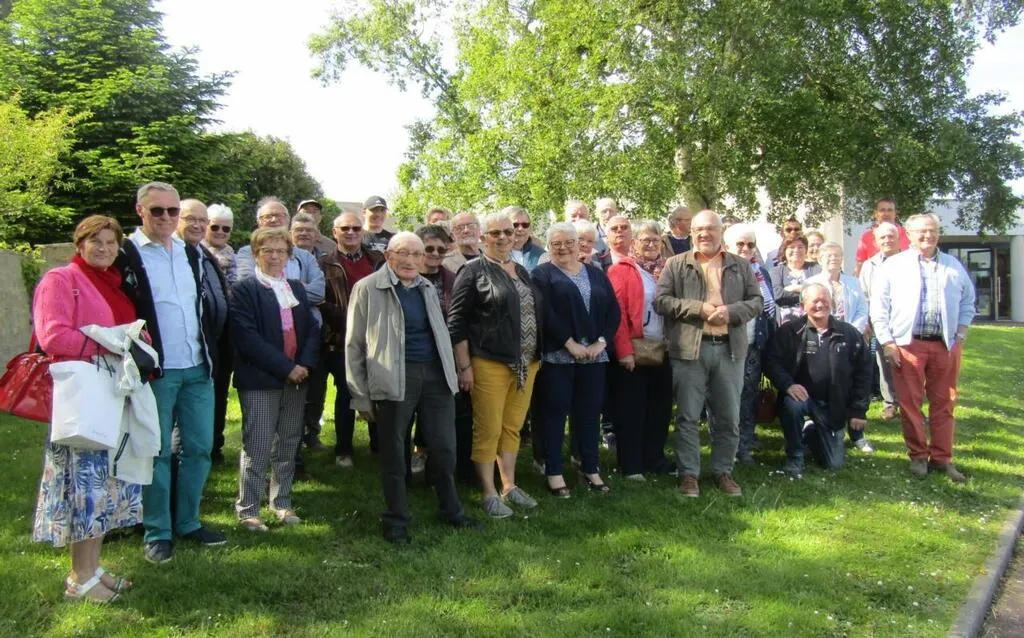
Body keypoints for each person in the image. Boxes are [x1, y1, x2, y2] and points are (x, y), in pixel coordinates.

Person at [32, 215, 144, 602]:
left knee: (105, 488)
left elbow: (122, 330)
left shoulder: (111, 283)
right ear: (79, 243)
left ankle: (93, 569)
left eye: (111, 243)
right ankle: (79, 579)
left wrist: (134, 336)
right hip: (82, 402)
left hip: (109, 395)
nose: (105, 249)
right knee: (86, 490)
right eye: (96, 241)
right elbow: (52, 336)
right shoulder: (61, 280)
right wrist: (110, 343)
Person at [346, 232, 481, 543]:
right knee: (394, 451)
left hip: (435, 376)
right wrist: (360, 394)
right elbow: (353, 345)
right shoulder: (368, 288)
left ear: (424, 259)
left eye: (416, 255)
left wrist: (455, 371)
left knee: (445, 448)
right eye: (403, 253)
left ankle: (451, 511)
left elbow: (439, 332)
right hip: (394, 377)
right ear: (389, 256)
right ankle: (396, 519)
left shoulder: (425, 288)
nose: (410, 260)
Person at [115, 181, 224, 565]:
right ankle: (157, 530)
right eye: (157, 210)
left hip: (198, 366)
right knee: (156, 452)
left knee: (199, 448)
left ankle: (189, 522)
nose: (166, 217)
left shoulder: (190, 251)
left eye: (172, 211)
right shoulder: (126, 254)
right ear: (140, 211)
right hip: (156, 373)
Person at [654, 210, 762, 498]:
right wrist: (698, 308)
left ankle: (723, 471)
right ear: (691, 233)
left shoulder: (740, 265)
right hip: (690, 349)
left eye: (710, 229)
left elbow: (756, 301)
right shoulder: (676, 264)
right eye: (698, 229)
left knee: (728, 416)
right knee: (688, 416)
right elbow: (661, 301)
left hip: (729, 349)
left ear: (721, 231)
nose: (704, 234)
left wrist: (731, 312)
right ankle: (689, 474)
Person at [449, 212, 543, 518]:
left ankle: (509, 485)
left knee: (512, 427)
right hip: (490, 362)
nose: (503, 237)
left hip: (527, 363)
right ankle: (488, 493)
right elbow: (457, 322)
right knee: (488, 429)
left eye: (508, 231)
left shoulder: (522, 270)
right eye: (495, 233)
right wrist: (465, 367)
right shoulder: (473, 270)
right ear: (483, 238)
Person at [871, 213, 976, 482]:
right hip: (908, 344)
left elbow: (968, 301)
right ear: (909, 234)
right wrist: (887, 342)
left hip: (945, 345)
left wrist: (961, 334)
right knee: (910, 403)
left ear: (938, 233)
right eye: (921, 231)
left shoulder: (953, 266)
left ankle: (942, 458)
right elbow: (879, 308)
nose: (927, 236)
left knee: (944, 403)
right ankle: (918, 456)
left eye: (932, 231)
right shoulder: (894, 265)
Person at [230, 228, 319, 532]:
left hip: (297, 378)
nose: (274, 256)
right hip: (261, 378)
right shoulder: (245, 289)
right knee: (257, 444)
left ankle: (281, 503)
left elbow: (310, 330)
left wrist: (304, 363)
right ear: (256, 253)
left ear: (288, 256)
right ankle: (248, 510)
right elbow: (248, 338)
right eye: (267, 250)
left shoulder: (295, 287)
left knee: (288, 443)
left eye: (281, 251)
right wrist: (286, 367)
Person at [531, 223, 619, 497]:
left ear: (578, 243)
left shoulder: (595, 273)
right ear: (549, 246)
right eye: (556, 243)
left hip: (595, 356)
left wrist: (601, 342)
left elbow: (613, 310)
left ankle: (590, 468)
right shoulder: (542, 274)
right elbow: (544, 312)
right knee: (555, 414)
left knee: (590, 414)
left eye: (568, 241)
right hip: (559, 357)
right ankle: (554, 471)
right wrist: (569, 343)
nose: (563, 247)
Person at [763, 283, 872, 477]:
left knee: (833, 464)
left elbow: (864, 372)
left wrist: (858, 410)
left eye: (824, 300)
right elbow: (772, 363)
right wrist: (788, 384)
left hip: (834, 405)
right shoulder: (789, 331)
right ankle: (795, 455)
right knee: (792, 405)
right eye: (815, 301)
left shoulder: (849, 333)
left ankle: (811, 432)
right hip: (802, 400)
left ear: (832, 302)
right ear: (803, 305)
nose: (820, 305)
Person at [607, 220, 675, 479]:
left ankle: (654, 458)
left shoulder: (668, 270)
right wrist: (624, 351)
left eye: (655, 240)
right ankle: (631, 465)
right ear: (633, 243)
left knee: (660, 409)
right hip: (633, 351)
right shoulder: (622, 269)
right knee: (631, 410)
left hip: (663, 350)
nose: (650, 244)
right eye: (644, 240)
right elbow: (618, 314)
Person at [319, 211, 385, 466]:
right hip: (341, 338)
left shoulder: (378, 260)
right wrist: (348, 319)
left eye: (356, 228)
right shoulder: (325, 263)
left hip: (377, 338)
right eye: (344, 228)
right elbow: (320, 301)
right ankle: (344, 449)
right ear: (334, 231)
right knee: (347, 394)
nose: (351, 233)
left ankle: (379, 444)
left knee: (378, 391)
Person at [410, 224, 469, 479]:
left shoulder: (453, 279)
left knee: (443, 417)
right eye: (429, 248)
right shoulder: (406, 277)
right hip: (411, 358)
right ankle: (412, 462)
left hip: (444, 359)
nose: (434, 253)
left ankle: (442, 470)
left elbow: (461, 322)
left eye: (440, 249)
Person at [176, 201, 231, 464]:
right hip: (181, 354)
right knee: (179, 426)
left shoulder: (201, 255)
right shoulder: (176, 254)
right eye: (190, 219)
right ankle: (176, 480)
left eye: (202, 220)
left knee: (202, 419)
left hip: (210, 349)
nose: (198, 225)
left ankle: (197, 469)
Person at [806, 241, 874, 453]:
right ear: (820, 259)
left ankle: (857, 434)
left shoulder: (853, 283)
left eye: (837, 255)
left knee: (853, 383)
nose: (833, 259)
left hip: (849, 340)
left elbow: (863, 309)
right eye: (828, 256)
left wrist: (850, 332)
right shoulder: (812, 282)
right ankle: (817, 429)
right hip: (822, 340)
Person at [722, 224, 776, 464]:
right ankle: (725, 448)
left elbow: (768, 310)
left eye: (750, 245)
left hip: (754, 344)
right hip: (726, 344)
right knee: (724, 398)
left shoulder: (760, 273)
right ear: (727, 247)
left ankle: (744, 446)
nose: (745, 249)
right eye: (740, 244)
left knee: (748, 396)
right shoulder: (720, 271)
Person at [236, 198, 326, 326]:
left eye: (279, 216)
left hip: (305, 327)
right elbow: (251, 289)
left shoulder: (306, 256)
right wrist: (298, 287)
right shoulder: (247, 252)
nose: (273, 220)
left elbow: (318, 293)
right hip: (264, 324)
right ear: (258, 222)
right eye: (267, 216)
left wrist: (272, 286)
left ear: (288, 221)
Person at [291, 212, 333, 457]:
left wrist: (290, 287)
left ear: (317, 235)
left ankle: (311, 433)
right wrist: (299, 288)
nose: (304, 234)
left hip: (319, 333)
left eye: (309, 230)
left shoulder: (323, 258)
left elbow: (320, 292)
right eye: (299, 230)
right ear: (291, 233)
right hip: (288, 334)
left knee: (316, 388)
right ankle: (292, 442)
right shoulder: (282, 256)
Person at [859, 222, 902, 420]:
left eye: (891, 236)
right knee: (884, 363)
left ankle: (912, 404)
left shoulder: (910, 260)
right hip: (880, 322)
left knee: (910, 364)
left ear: (898, 238)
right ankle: (890, 403)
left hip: (905, 322)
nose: (887, 240)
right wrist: (868, 322)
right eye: (882, 237)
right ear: (876, 241)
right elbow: (864, 295)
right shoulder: (870, 266)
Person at [770, 235, 821, 325]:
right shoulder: (776, 271)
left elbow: (819, 292)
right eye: (791, 247)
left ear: (806, 250)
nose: (796, 250)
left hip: (813, 322)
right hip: (785, 324)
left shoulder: (815, 268)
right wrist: (807, 292)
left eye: (800, 247)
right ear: (784, 251)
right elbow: (778, 295)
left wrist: (794, 288)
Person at [855, 198, 911, 275]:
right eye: (882, 210)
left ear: (895, 213)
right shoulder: (866, 236)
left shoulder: (908, 235)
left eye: (890, 210)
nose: (886, 213)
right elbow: (860, 265)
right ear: (876, 214)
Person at [203, 203, 237, 284]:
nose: (220, 232)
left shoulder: (234, 258)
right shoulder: (196, 253)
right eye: (215, 227)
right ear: (205, 226)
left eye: (226, 229)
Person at [506, 205, 546, 272]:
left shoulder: (542, 256)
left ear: (530, 228)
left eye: (525, 225)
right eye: (515, 225)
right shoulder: (495, 253)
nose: (520, 229)